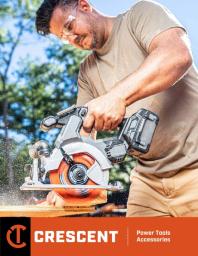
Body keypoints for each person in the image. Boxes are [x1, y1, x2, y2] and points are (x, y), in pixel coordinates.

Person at [36, 0, 198, 216]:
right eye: (65, 39)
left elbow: (177, 55)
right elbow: (83, 135)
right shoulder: (87, 72)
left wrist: (117, 97)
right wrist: (66, 183)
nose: (72, 39)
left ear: (84, 6)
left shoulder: (139, 15)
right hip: (148, 181)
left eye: (69, 27)